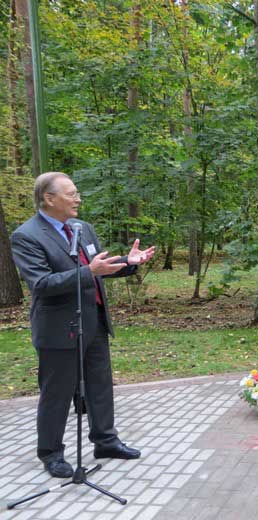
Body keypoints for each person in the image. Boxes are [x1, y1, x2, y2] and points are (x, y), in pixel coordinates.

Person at [11, 172, 155, 478]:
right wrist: (90, 271)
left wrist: (128, 261)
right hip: (58, 328)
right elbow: (42, 283)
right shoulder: (26, 236)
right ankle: (51, 454)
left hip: (94, 322)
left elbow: (96, 268)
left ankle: (105, 441)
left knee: (100, 387)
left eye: (77, 194)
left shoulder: (81, 228)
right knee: (57, 394)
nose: (78, 199)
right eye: (71, 194)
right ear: (49, 199)